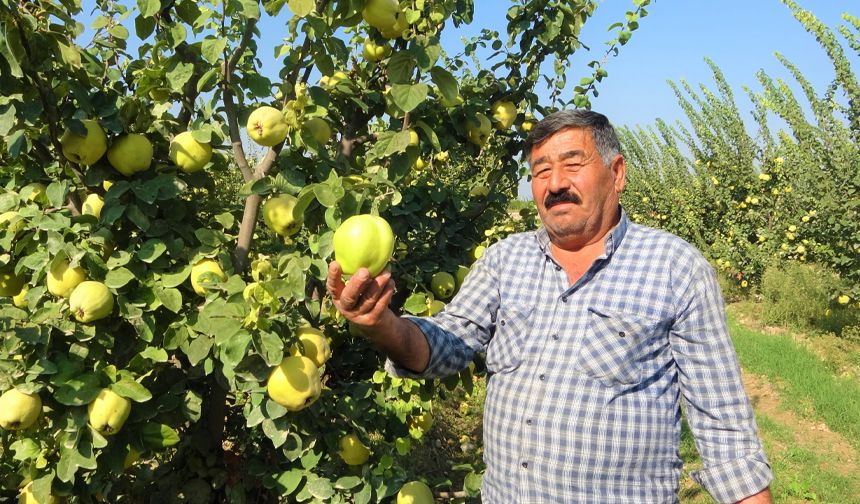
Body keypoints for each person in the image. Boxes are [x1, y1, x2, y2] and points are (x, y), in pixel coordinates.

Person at [326, 110, 773, 503]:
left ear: (617, 173)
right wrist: (380, 323)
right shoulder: (505, 259)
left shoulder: (675, 267)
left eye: (572, 165)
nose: (555, 183)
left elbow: (723, 424)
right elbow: (447, 344)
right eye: (540, 171)